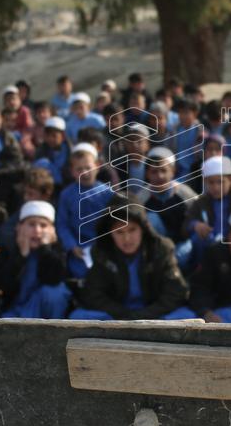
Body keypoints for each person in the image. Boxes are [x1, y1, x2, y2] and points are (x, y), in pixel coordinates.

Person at [69, 200, 194, 320]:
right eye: (119, 232)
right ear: (110, 234)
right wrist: (124, 315)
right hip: (117, 315)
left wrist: (144, 315)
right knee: (77, 317)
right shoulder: (102, 252)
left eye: (132, 230)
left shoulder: (161, 249)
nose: (127, 239)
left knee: (187, 316)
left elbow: (176, 291)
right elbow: (93, 294)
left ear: (143, 229)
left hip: (154, 314)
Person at [0, 202, 71, 319]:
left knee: (54, 293)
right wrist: (21, 256)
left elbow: (55, 280)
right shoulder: (8, 247)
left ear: (52, 230)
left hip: (46, 312)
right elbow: (3, 285)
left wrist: (45, 249)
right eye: (31, 224)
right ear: (19, 227)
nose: (37, 230)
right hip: (16, 311)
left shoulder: (58, 250)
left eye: (43, 225)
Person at [56, 143, 113, 278]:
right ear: (72, 171)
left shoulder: (107, 193)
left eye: (88, 167)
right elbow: (62, 224)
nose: (85, 173)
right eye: (79, 169)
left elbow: (114, 223)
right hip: (79, 248)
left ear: (97, 166)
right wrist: (72, 246)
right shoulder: (66, 195)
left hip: (104, 246)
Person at [182, 156, 231, 272]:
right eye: (211, 182)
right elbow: (186, 224)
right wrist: (196, 225)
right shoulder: (201, 202)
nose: (216, 187)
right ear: (205, 182)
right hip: (207, 246)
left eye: (220, 182)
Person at [34, 116, 71, 186]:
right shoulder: (41, 150)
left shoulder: (71, 151)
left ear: (63, 136)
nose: (50, 139)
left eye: (54, 136)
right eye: (48, 135)